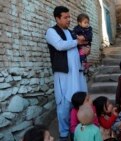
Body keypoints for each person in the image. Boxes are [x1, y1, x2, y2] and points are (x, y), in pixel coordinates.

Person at [45, 6, 88, 140]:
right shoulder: (51, 32)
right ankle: (64, 134)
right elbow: (60, 45)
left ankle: (76, 132)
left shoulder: (71, 32)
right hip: (63, 75)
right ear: (57, 18)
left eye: (69, 17)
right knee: (63, 105)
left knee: (77, 103)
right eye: (65, 17)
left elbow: (75, 51)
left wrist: (84, 51)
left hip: (77, 74)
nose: (69, 20)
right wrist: (77, 42)